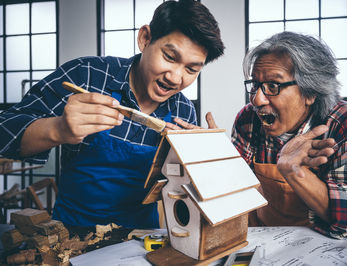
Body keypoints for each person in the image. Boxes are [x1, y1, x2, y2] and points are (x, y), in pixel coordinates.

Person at [0, 0, 224, 229]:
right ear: (145, 38)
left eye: (191, 69)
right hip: (72, 233)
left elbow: (179, 194)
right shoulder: (86, 75)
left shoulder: (183, 111)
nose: (176, 78)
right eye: (169, 57)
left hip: (140, 237)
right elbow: (4, 132)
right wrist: (58, 129)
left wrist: (202, 160)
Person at [231, 31, 347, 239]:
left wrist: (295, 171)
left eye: (273, 86)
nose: (257, 100)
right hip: (259, 239)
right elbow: (234, 192)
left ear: (310, 92)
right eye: (255, 85)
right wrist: (216, 160)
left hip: (320, 247)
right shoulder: (248, 119)